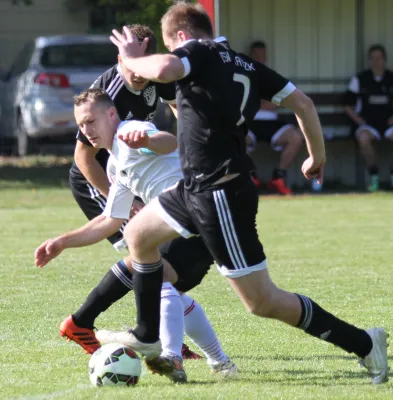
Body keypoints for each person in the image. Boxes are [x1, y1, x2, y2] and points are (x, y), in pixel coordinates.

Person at [106, 2, 389, 385]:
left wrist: (131, 58)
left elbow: (164, 68)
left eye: (175, 45)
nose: (176, 53)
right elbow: (303, 104)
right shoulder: (244, 64)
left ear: (184, 37)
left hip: (220, 192)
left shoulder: (198, 51)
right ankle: (147, 335)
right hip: (196, 186)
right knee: (138, 235)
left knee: (262, 301)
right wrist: (316, 155)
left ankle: (364, 344)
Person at [35, 88, 237, 383]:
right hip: (189, 223)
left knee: (154, 271)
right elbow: (109, 219)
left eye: (92, 121)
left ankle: (171, 355)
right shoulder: (116, 163)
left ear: (111, 114)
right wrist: (62, 241)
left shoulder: (130, 132)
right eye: (81, 125)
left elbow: (169, 142)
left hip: (196, 213)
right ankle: (220, 363)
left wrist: (147, 140)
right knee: (167, 285)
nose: (87, 130)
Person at [67, 23, 201, 361]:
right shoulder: (111, 93)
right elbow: (83, 158)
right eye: (132, 63)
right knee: (149, 257)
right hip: (98, 178)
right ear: (121, 57)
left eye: (145, 62)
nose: (139, 73)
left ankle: (155, 336)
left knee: (155, 260)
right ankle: (90, 325)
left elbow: (177, 111)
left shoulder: (154, 78)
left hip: (130, 178)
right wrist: (128, 202)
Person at [247, 40, 304, 195]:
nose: (259, 59)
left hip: (272, 123)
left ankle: (278, 178)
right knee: (235, 136)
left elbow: (276, 103)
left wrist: (259, 101)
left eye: (262, 56)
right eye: (256, 55)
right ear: (250, 56)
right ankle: (250, 176)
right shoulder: (243, 74)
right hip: (249, 121)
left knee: (296, 137)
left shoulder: (271, 76)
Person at [344, 44, 393, 192]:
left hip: (389, 124)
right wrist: (360, 121)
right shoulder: (359, 79)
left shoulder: (392, 78)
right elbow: (347, 106)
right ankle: (374, 175)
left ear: (385, 59)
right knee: (363, 138)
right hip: (368, 125)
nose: (376, 61)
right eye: (373, 58)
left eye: (379, 58)